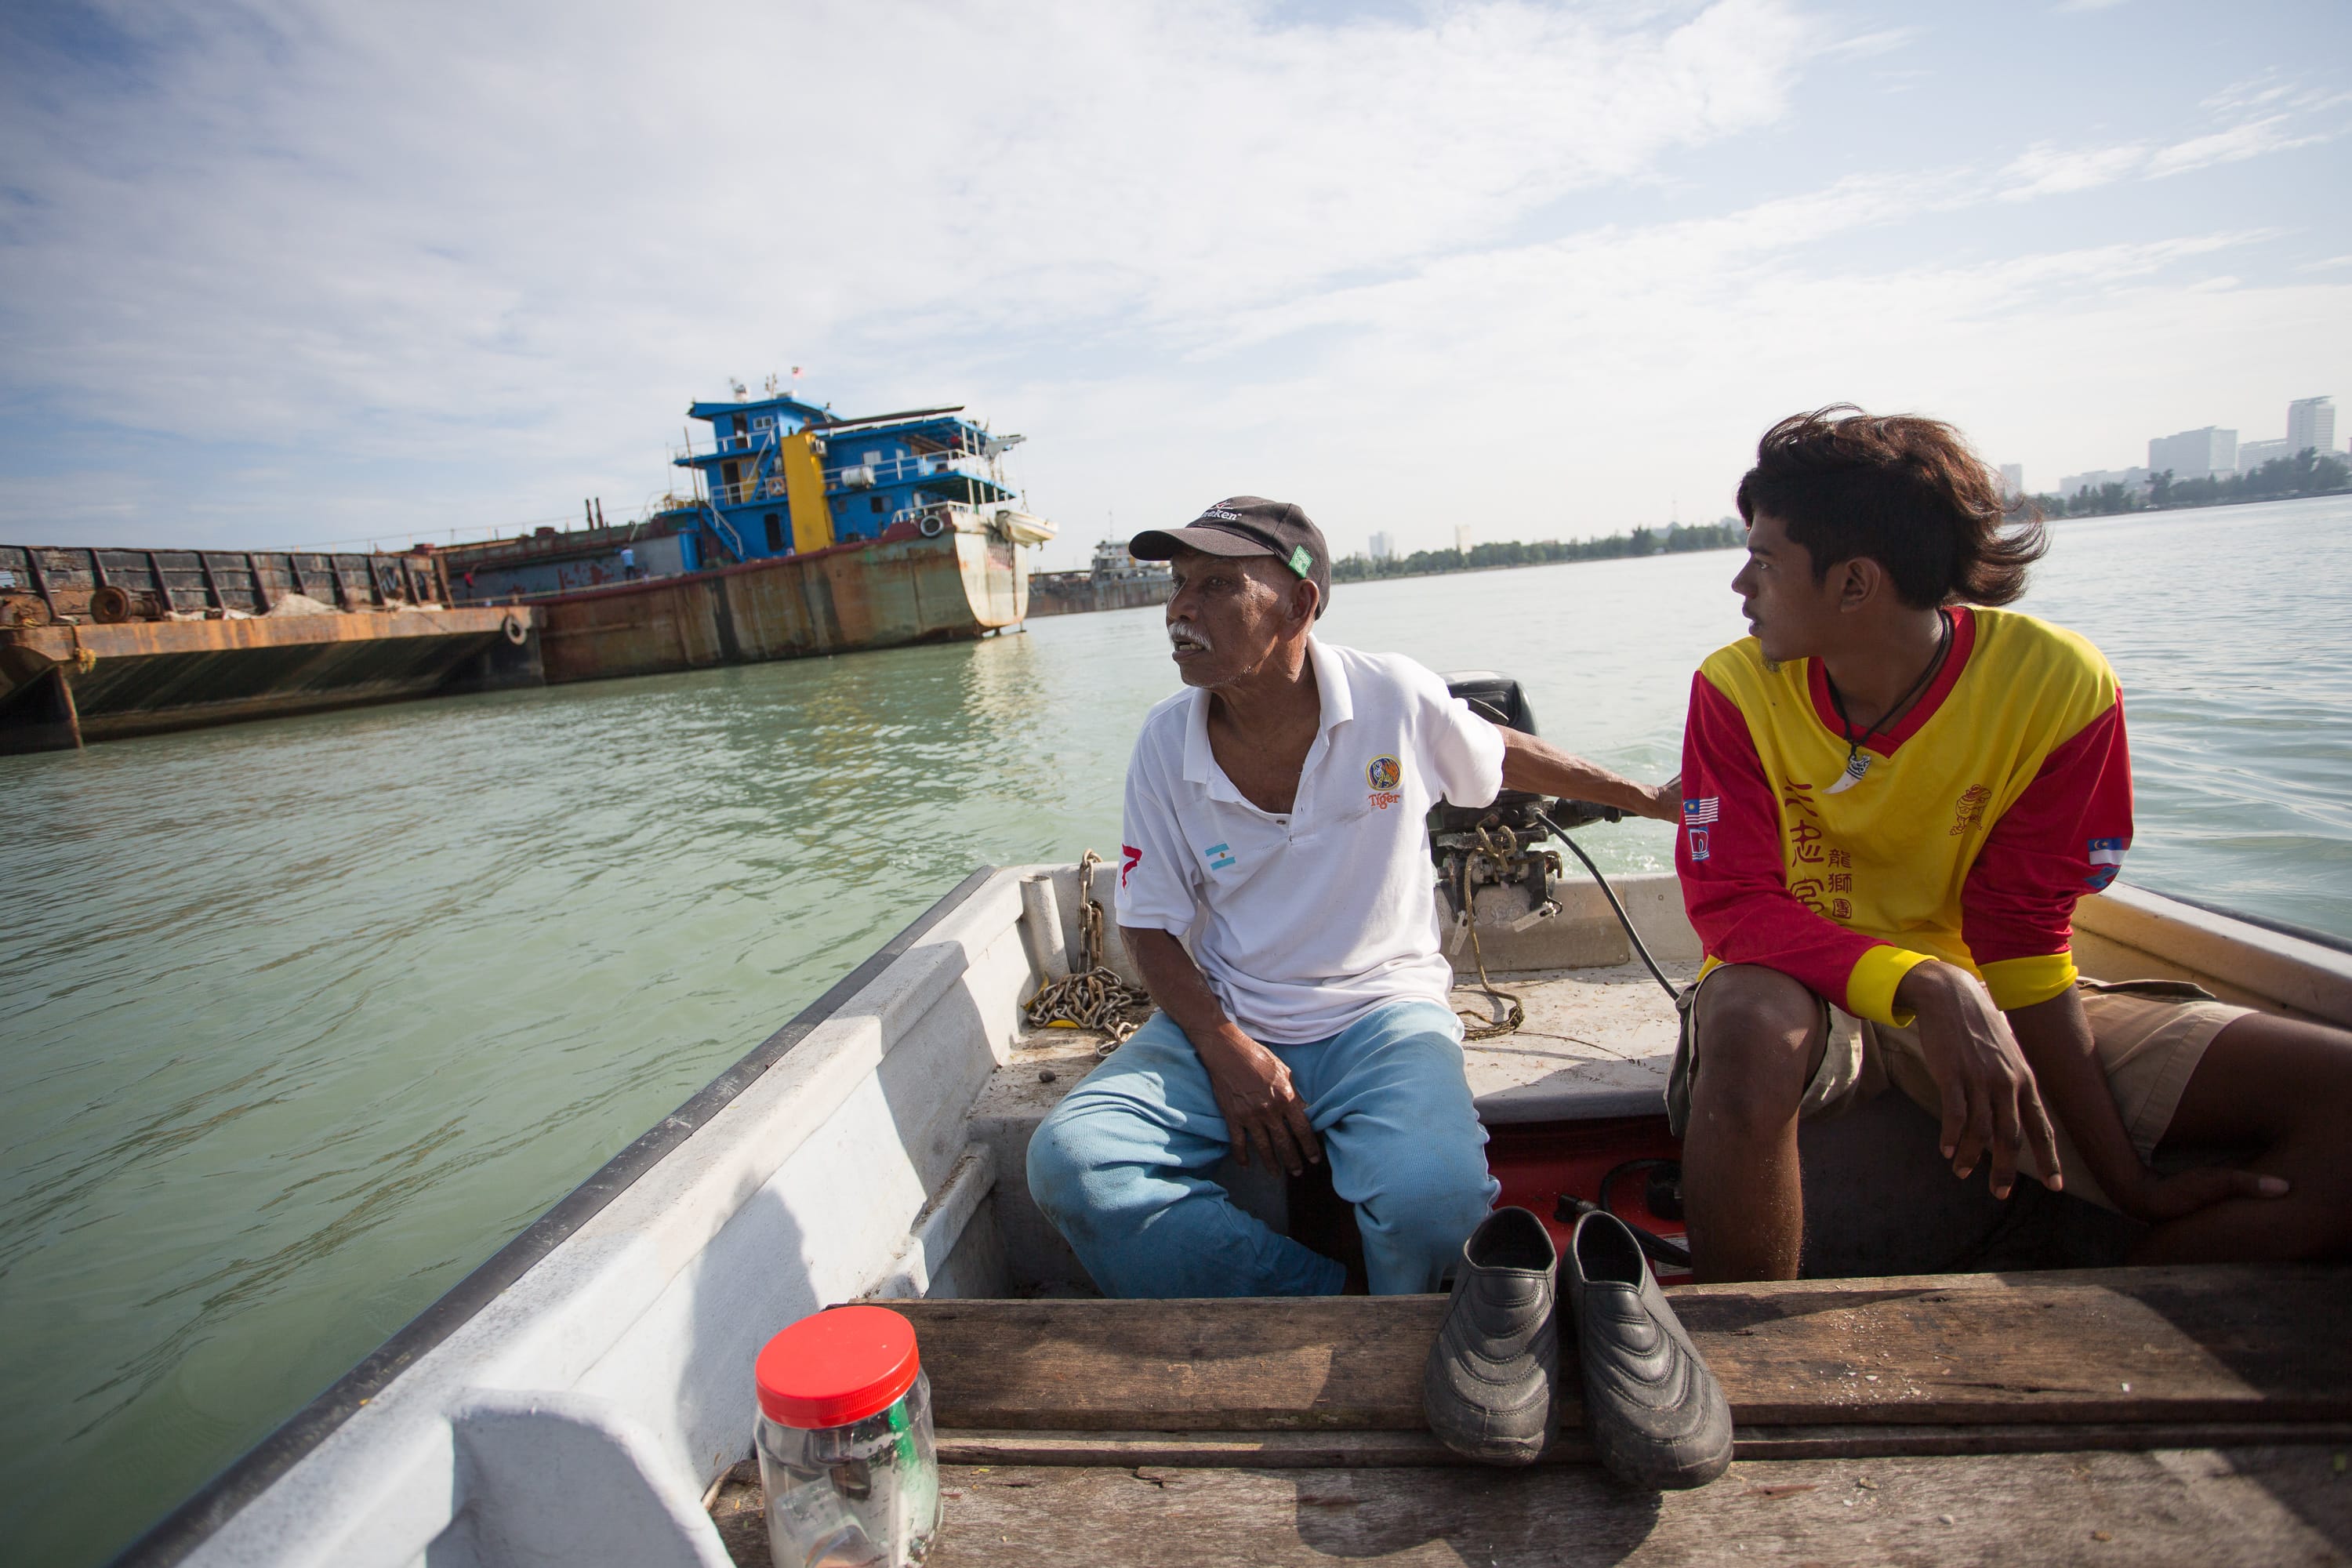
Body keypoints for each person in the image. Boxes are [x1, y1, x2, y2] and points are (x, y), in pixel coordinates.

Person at [1672, 406, 2352, 1282]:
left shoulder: (2060, 686)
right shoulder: (1733, 689)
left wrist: (2128, 1180)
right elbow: (1735, 908)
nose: (1741, 584)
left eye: (1763, 560)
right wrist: (1922, 980)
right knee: (1746, 1017)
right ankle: (1747, 1360)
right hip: (1815, 991)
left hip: (1987, 991)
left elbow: (2023, 932)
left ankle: (2121, 1302)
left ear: (1854, 585)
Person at [1026, 496, 1681, 1297]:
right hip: (1232, 1010)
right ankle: (1323, 1309)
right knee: (1076, 1162)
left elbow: (1500, 755)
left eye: (1219, 585)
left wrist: (1647, 796)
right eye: (1180, 582)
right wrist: (1226, 1045)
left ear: (1300, 602)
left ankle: (1392, 1325)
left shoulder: (1392, 697)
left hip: (1384, 1015)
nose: (1182, 609)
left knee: (1434, 1205)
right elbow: (1150, 924)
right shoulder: (1165, 742)